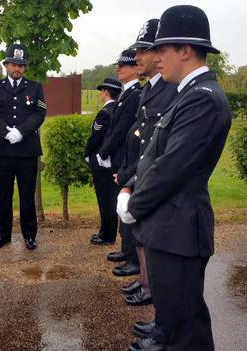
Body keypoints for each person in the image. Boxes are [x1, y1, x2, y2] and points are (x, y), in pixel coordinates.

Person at [118, 5, 232, 351]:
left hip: (180, 230)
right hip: (169, 228)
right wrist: (131, 185)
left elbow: (170, 167)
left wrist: (131, 206)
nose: (156, 56)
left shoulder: (203, 100)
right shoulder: (188, 94)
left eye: (162, 49)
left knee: (186, 333)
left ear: (185, 50)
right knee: (173, 322)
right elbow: (154, 153)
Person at [119, 19, 178, 308]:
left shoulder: (172, 89)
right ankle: (146, 282)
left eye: (144, 50)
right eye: (138, 50)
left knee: (152, 242)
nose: (138, 57)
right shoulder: (148, 88)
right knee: (141, 237)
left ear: (160, 53)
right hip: (140, 172)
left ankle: (151, 289)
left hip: (155, 175)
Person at [0, 43, 47, 250]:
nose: (17, 69)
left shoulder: (35, 87)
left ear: (25, 67)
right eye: (13, 64)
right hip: (1, 149)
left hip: (26, 149)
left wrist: (20, 131)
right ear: (6, 65)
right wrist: (6, 132)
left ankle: (29, 235)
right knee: (3, 194)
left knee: (27, 194)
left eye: (21, 65)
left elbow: (39, 114)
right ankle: (3, 235)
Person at [90, 49, 142, 265]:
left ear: (136, 68)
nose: (119, 68)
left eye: (125, 65)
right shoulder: (126, 95)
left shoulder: (134, 94)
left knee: (125, 205)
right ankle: (126, 249)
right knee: (122, 206)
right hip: (120, 158)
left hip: (124, 158)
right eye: (119, 64)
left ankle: (131, 256)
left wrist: (102, 153)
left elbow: (120, 130)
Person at [84, 78, 121, 249]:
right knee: (111, 200)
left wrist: (87, 154)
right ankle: (107, 233)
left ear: (106, 92)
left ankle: (106, 235)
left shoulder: (105, 112)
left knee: (105, 200)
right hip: (113, 161)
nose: (101, 94)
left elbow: (95, 138)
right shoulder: (119, 110)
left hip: (101, 162)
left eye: (102, 91)